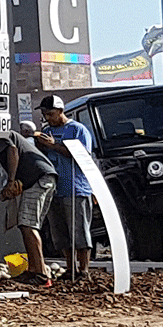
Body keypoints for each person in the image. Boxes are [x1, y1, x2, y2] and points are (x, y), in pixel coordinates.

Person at [34, 95, 94, 280]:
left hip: (76, 187)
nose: (48, 118)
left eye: (51, 114)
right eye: (44, 114)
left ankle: (83, 270)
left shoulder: (77, 130)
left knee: (79, 231)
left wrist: (55, 145)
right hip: (54, 189)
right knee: (60, 232)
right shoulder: (46, 130)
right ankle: (70, 268)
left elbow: (82, 155)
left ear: (61, 111)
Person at [0, 131, 57, 287]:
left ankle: (40, 274)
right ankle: (33, 270)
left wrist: (11, 181)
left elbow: (13, 151)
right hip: (40, 178)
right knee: (26, 224)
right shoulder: (3, 138)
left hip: (38, 178)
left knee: (28, 225)